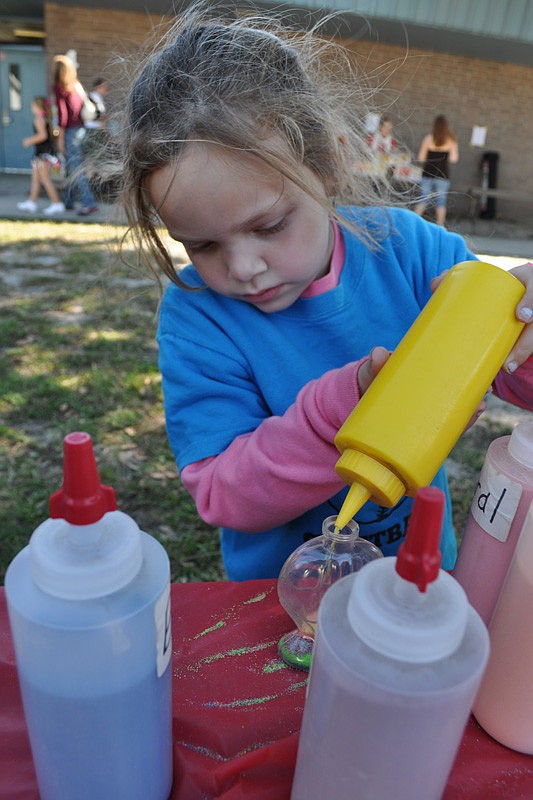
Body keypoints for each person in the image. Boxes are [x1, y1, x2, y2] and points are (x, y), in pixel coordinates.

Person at [117, 7, 533, 581]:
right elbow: (222, 494)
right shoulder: (198, 319)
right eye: (202, 246)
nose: (243, 268)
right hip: (278, 612)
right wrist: (344, 415)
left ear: (330, 164)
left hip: (413, 586)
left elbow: (513, 377)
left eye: (268, 226)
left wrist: (519, 324)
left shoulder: (413, 254)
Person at [52, 54, 99, 216]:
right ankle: (68, 201)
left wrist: (59, 138)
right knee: (71, 168)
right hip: (82, 130)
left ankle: (90, 203)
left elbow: (63, 116)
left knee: (76, 168)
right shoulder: (76, 86)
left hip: (71, 132)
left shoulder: (60, 88)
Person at [17, 96, 65, 216]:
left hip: (43, 154)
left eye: (33, 105)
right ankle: (31, 202)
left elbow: (42, 136)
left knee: (44, 179)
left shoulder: (39, 119)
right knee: (35, 178)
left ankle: (57, 203)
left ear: (37, 106)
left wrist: (28, 140)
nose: (31, 108)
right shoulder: (46, 118)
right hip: (43, 153)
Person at [414, 115, 459, 226]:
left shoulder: (428, 139)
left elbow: (420, 158)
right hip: (442, 175)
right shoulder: (451, 140)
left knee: (423, 200)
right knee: (441, 202)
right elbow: (454, 159)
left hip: (428, 173)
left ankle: (412, 224)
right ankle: (440, 227)